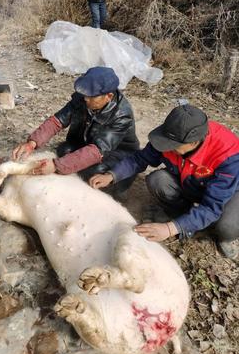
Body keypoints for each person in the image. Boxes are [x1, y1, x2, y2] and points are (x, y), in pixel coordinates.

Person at [90, 104, 239, 261]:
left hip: (228, 193)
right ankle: (183, 215)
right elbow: (140, 158)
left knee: (228, 227)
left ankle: (220, 236)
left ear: (193, 143)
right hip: (191, 181)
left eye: (172, 146)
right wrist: (112, 175)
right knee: (158, 180)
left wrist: (169, 229)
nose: (167, 148)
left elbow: (211, 207)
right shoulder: (172, 134)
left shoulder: (229, 157)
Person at [13, 67, 139, 196]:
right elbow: (58, 120)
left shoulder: (122, 115)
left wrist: (57, 166)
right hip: (87, 142)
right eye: (85, 95)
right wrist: (32, 143)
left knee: (95, 171)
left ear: (108, 96)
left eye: (91, 96)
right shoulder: (83, 98)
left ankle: (113, 191)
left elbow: (97, 151)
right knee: (64, 150)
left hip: (115, 153)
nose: (86, 99)